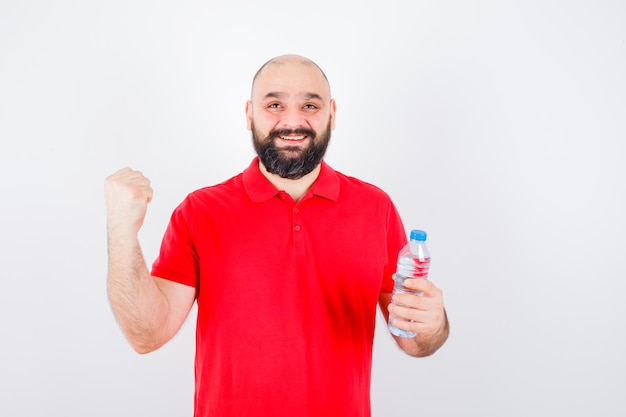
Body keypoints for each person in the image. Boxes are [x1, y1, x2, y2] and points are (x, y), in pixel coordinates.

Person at [104, 54, 449, 417]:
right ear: (249, 113)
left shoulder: (375, 208)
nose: (292, 120)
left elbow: (415, 342)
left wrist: (432, 324)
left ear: (331, 112)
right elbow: (147, 335)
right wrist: (122, 231)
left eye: (309, 104)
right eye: (274, 104)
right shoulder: (201, 211)